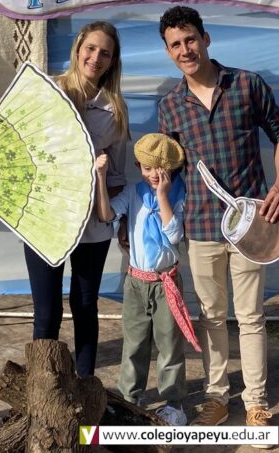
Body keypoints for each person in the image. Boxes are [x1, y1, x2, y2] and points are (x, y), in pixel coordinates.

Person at [157, 6, 279, 438]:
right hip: (200, 226)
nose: (185, 50)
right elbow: (172, 172)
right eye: (175, 44)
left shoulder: (248, 84)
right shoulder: (170, 107)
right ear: (168, 52)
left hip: (252, 225)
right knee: (212, 317)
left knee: (251, 316)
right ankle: (216, 398)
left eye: (190, 39)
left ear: (206, 39)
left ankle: (256, 404)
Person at [0, 21, 129, 377]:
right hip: (43, 221)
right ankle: (43, 389)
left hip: (91, 227)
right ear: (78, 49)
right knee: (46, 311)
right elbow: (15, 142)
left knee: (85, 305)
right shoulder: (46, 91)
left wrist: (99, 195)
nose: (95, 58)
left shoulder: (115, 110)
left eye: (105, 53)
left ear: (112, 62)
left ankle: (86, 385)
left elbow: (118, 180)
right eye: (91, 48)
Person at [95, 133, 200, 426]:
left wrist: (163, 196)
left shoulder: (180, 194)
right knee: (134, 344)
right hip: (136, 283)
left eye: (160, 169)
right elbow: (106, 214)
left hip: (166, 283)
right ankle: (130, 400)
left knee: (169, 345)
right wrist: (100, 177)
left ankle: (174, 403)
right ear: (138, 167)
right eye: (147, 168)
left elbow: (174, 235)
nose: (154, 174)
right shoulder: (133, 193)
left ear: (171, 169)